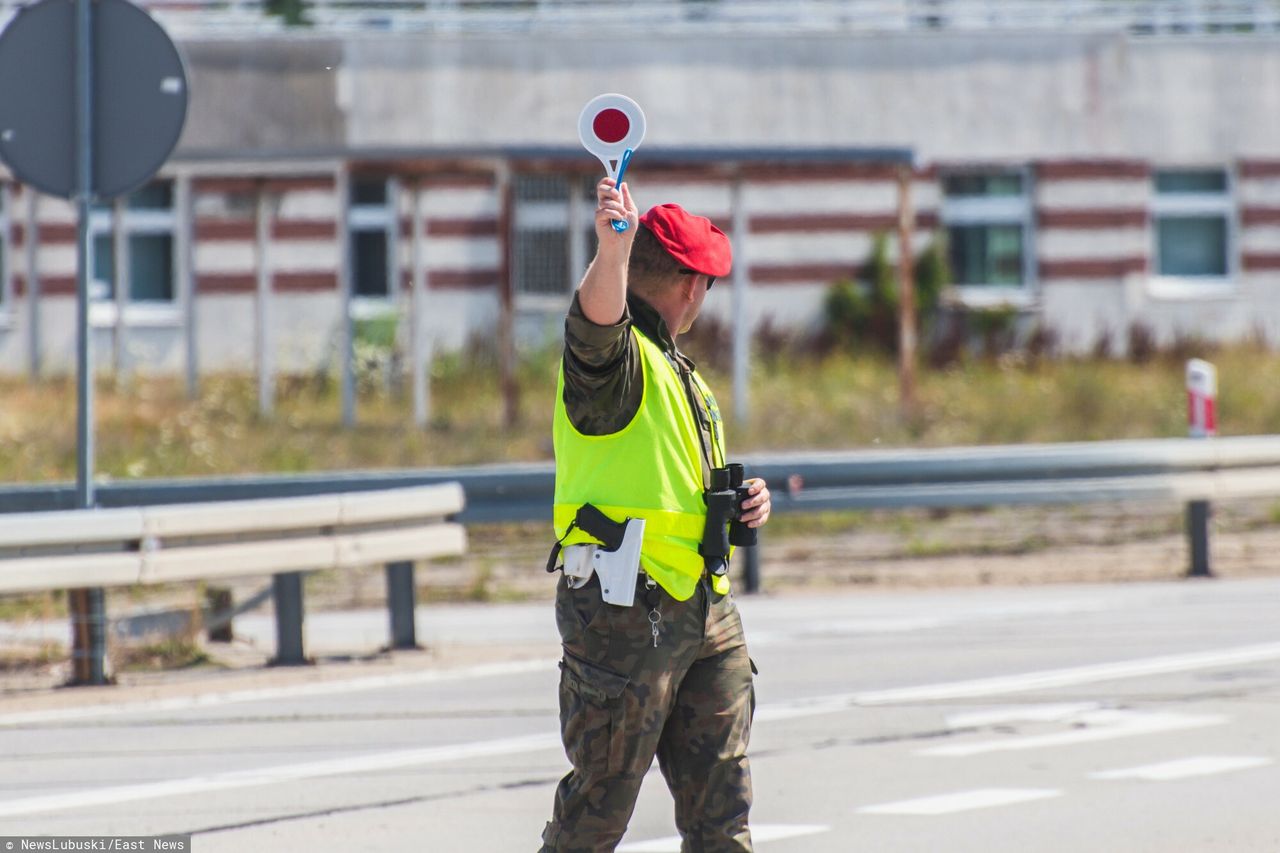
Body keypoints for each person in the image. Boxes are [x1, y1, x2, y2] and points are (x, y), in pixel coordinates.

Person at [539, 174, 772, 853]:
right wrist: (611, 255)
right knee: (600, 807)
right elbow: (593, 327)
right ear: (693, 284)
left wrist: (742, 504)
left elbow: (672, 485)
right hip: (623, 611)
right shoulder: (616, 362)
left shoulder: (679, 372)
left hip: (701, 604)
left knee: (721, 811)